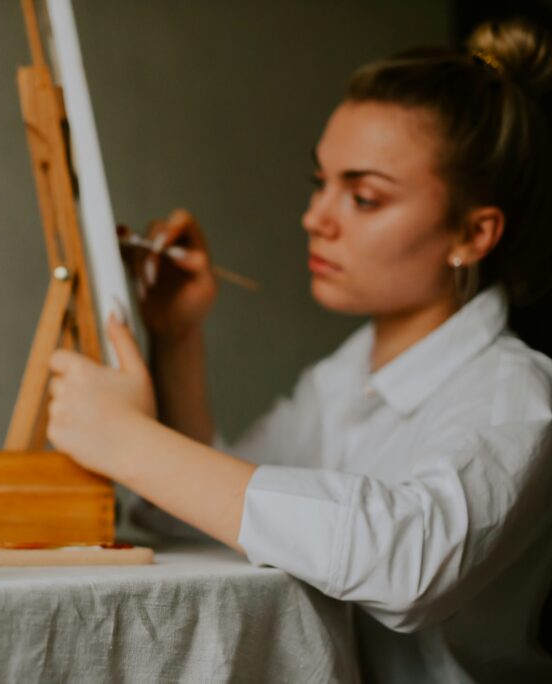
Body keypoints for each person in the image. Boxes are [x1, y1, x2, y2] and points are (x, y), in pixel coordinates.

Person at [46, 18, 552, 682]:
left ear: (473, 234)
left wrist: (126, 439)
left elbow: (408, 562)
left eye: (364, 196)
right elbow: (223, 513)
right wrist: (176, 339)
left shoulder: (516, 394)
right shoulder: (343, 376)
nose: (317, 217)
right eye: (321, 182)